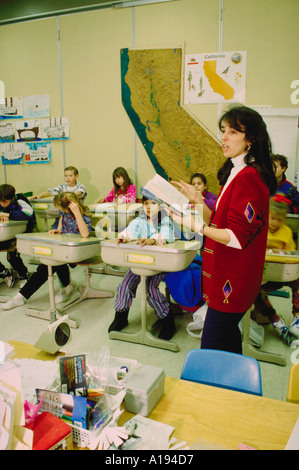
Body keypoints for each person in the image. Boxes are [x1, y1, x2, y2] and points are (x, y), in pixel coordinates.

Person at [172, 105, 277, 354]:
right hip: (224, 276)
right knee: (227, 343)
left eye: (233, 131)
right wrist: (198, 200)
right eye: (223, 131)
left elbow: (237, 237)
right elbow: (220, 222)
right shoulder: (235, 171)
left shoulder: (249, 177)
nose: (224, 137)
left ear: (250, 139)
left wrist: (197, 227)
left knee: (211, 347)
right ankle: (234, 391)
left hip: (234, 281)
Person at [1, 192, 92, 311]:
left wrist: (77, 213)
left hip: (79, 252)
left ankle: (22, 296)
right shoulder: (64, 213)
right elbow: (61, 219)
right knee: (49, 263)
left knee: (51, 262)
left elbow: (85, 234)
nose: (59, 211)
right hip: (64, 250)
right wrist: (59, 230)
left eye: (61, 208)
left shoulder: (84, 216)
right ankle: (23, 296)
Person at [108, 196, 176, 340]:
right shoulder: (140, 220)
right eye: (146, 203)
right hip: (142, 262)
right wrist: (124, 237)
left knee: (150, 289)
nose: (149, 206)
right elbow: (130, 230)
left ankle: (167, 319)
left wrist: (153, 239)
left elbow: (167, 234)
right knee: (125, 285)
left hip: (161, 263)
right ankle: (121, 316)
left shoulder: (165, 219)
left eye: (153, 203)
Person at [254, 194, 299, 343]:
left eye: (279, 219)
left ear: (284, 220)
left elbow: (292, 255)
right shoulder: (260, 228)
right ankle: (275, 320)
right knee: (253, 290)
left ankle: (297, 316)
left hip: (283, 274)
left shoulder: (286, 232)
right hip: (263, 277)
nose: (275, 222)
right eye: (272, 218)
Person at [0, 184, 36, 288]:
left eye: (5, 201)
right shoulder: (1, 202)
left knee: (12, 256)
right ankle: (4, 273)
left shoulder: (19, 201)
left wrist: (8, 215)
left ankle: (23, 275)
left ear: (12, 198)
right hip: (4, 234)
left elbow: (29, 215)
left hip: (19, 235)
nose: (2, 204)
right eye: (0, 201)